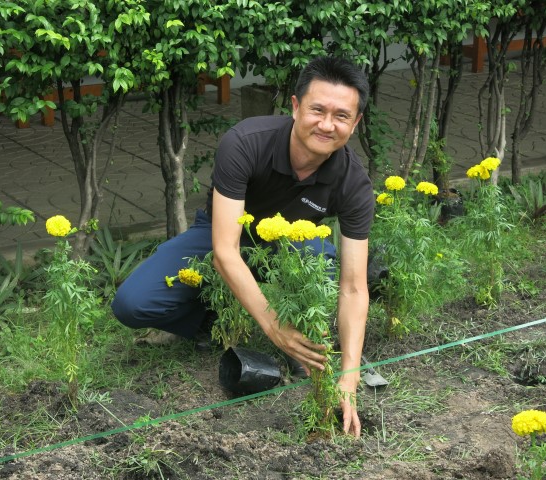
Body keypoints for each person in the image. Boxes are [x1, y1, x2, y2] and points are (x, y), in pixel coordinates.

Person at [112, 56, 374, 437]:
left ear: (355, 122)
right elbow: (224, 250)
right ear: (296, 106)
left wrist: (349, 377)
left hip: (292, 247)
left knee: (326, 274)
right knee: (132, 302)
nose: (327, 124)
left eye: (341, 116)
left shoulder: (354, 183)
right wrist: (274, 327)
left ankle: (306, 342)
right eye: (318, 110)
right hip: (225, 234)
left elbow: (353, 287)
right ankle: (212, 322)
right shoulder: (246, 142)